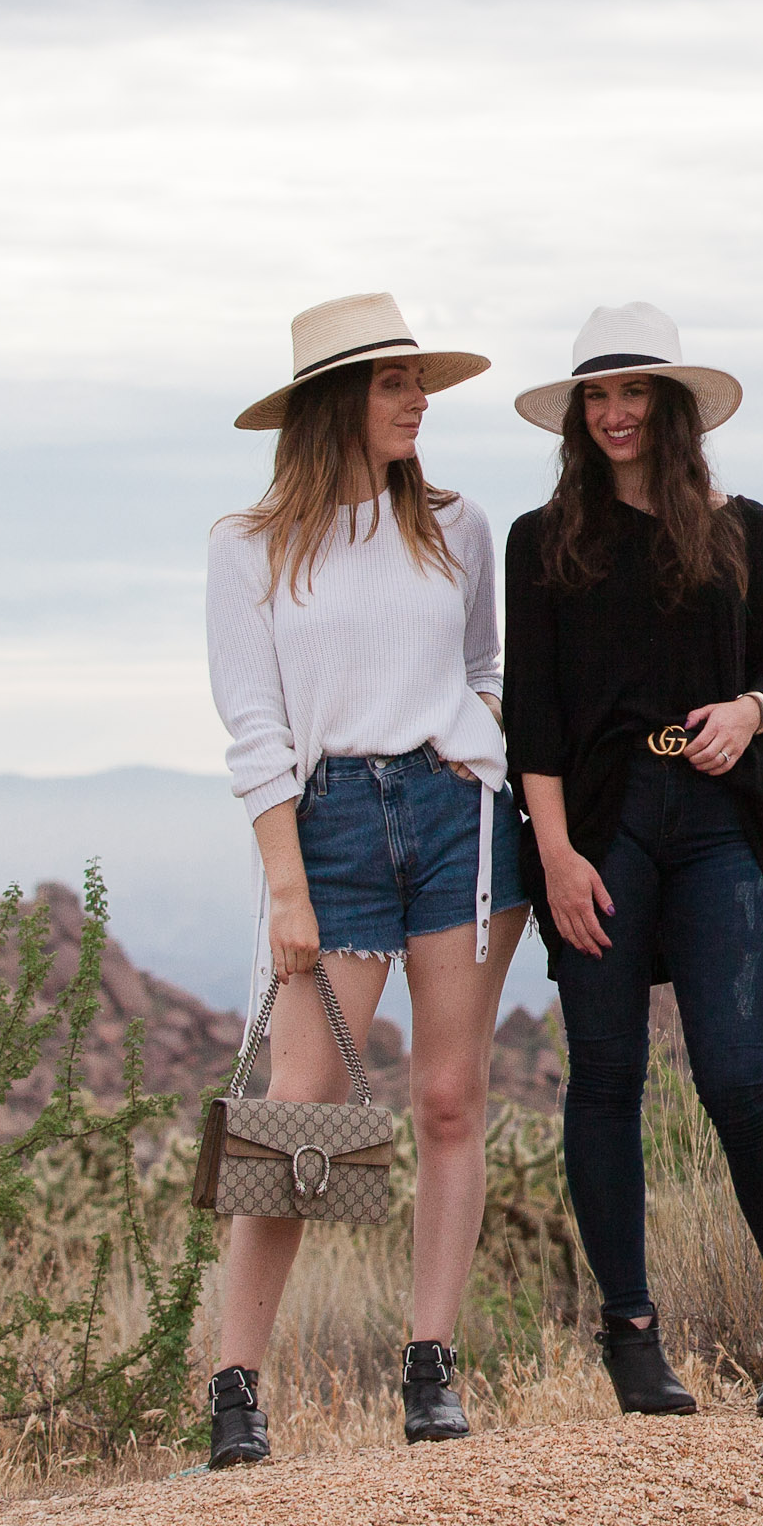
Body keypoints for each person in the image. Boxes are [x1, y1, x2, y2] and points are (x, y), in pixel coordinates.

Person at [201, 291, 528, 1464]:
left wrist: (473, 733)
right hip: (327, 827)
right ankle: (236, 1384)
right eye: (396, 384)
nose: (419, 401)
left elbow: (486, 660)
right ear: (338, 402)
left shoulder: (459, 524)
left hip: (457, 824)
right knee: (303, 1114)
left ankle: (429, 1366)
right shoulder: (247, 547)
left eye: (418, 382)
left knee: (449, 1098)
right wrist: (286, 886)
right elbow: (251, 728)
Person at [504, 302, 763, 1417]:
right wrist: (552, 857)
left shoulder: (745, 530)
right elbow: (532, 724)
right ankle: (631, 1336)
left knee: (738, 1080)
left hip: (718, 821)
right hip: (596, 829)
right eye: (595, 397)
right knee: (604, 1079)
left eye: (632, 393)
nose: (611, 414)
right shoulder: (541, 541)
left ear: (673, 405)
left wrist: (746, 710)